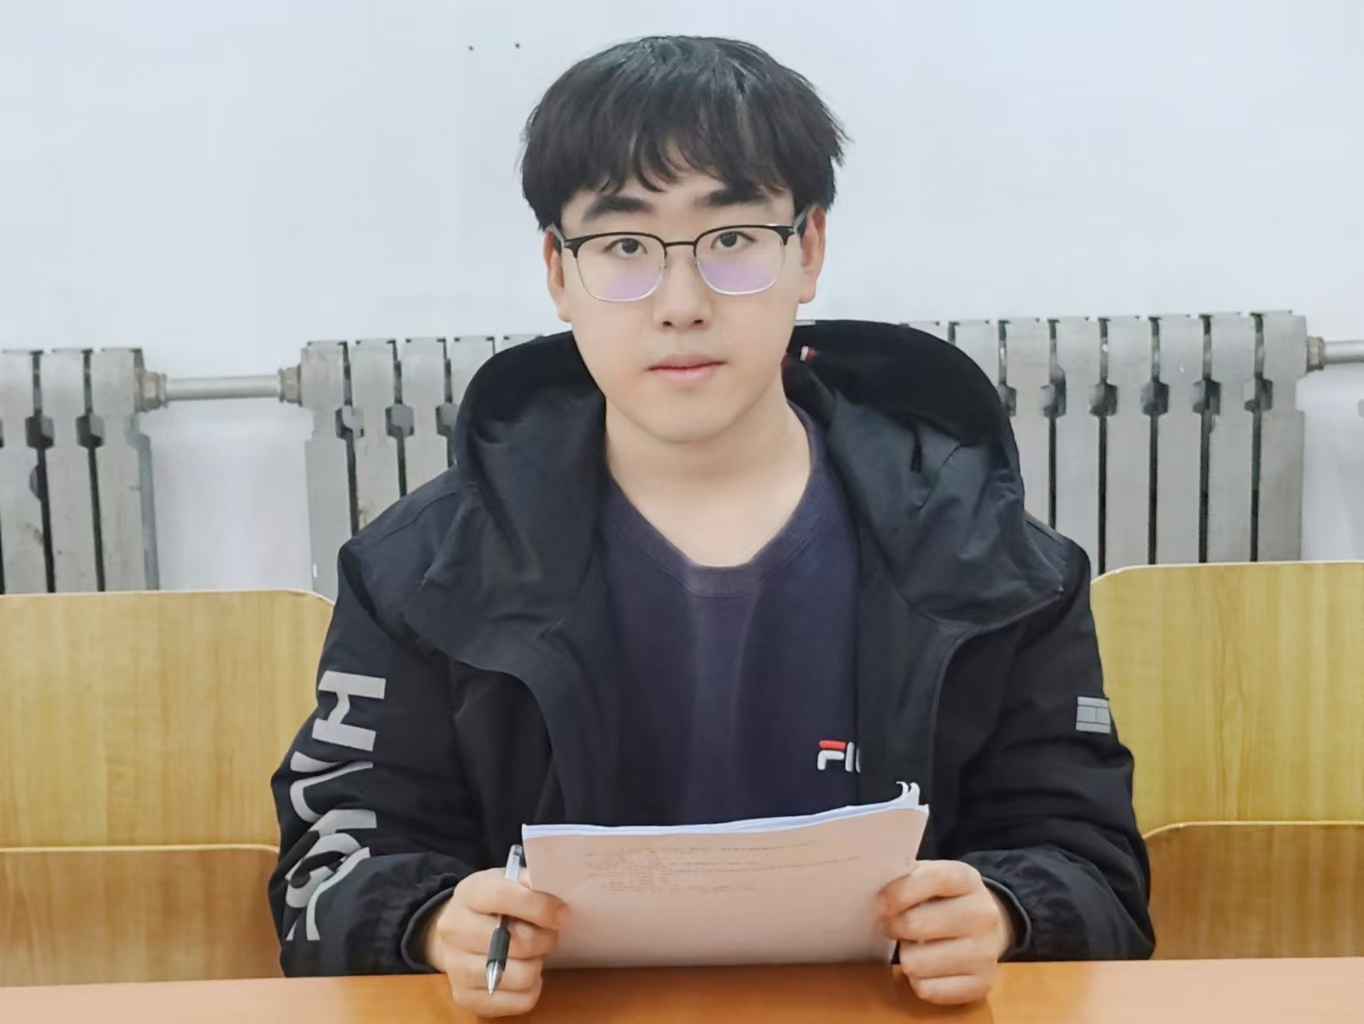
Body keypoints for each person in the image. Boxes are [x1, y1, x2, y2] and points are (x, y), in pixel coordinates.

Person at [269, 35, 1154, 1018]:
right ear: (558, 271)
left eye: (731, 239)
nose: (680, 305)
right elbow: (328, 867)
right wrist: (435, 921)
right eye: (623, 247)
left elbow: (1097, 872)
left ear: (807, 249)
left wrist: (1003, 912)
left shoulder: (990, 558)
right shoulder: (421, 571)